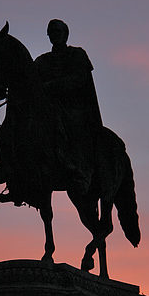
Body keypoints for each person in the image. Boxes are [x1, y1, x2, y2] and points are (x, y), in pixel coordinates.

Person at [34, 19, 104, 195]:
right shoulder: (42, 61)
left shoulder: (77, 55)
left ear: (66, 34)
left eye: (58, 31)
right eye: (51, 32)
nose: (55, 35)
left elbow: (80, 80)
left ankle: (79, 170)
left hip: (75, 109)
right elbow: (30, 81)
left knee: (65, 123)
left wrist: (51, 86)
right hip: (48, 109)